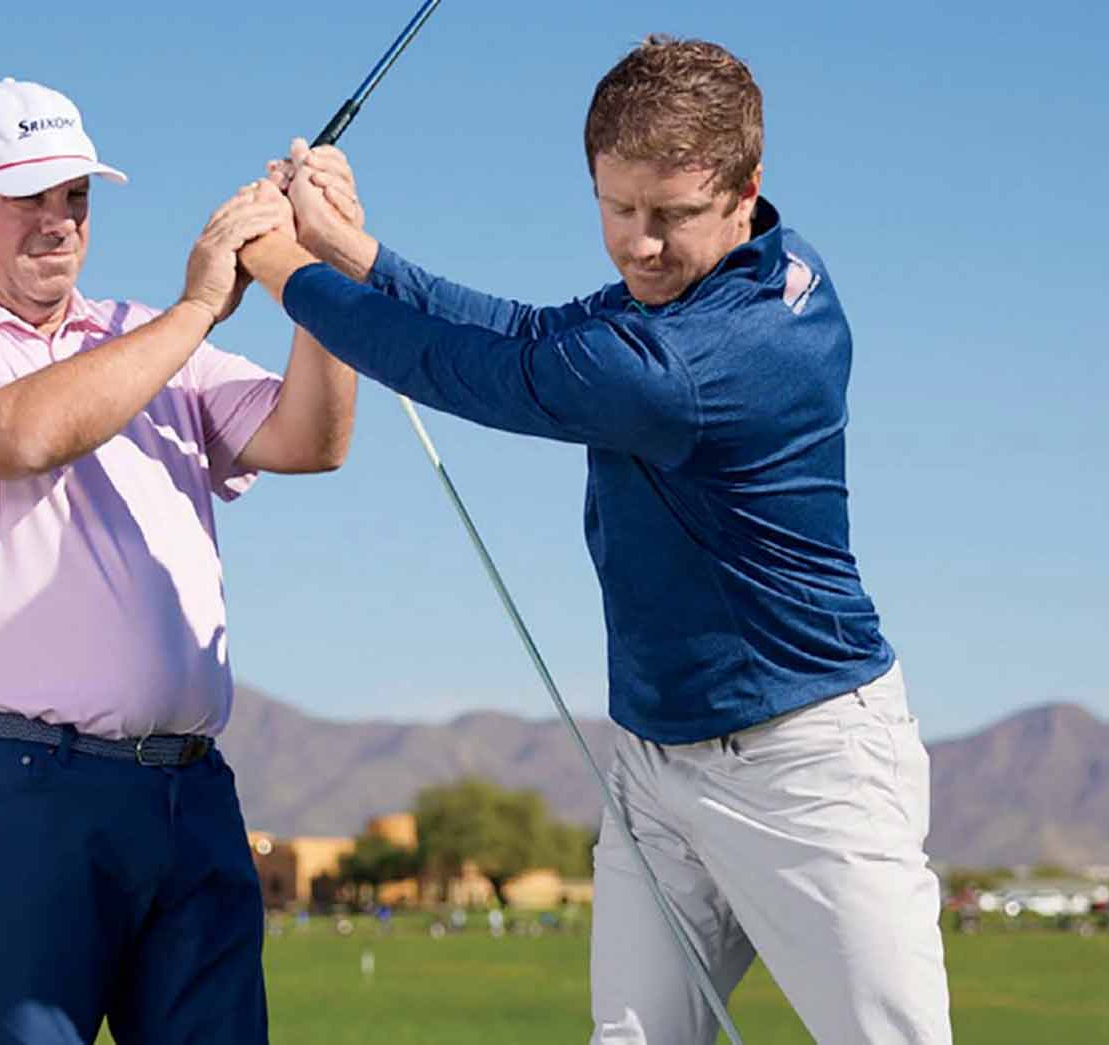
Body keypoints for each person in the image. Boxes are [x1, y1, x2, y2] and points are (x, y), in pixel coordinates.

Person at [239, 36, 951, 1045]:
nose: (639, 246)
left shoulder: (705, 357)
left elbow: (481, 373)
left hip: (804, 766)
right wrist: (354, 253)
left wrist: (280, 267)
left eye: (671, 217)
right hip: (656, 765)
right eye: (616, 209)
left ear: (746, 190)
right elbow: (532, 334)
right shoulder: (720, 279)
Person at [0, 78, 355, 1045]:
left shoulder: (146, 337)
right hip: (8, 782)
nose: (60, 220)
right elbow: (26, 431)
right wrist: (201, 304)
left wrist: (325, 278)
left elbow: (311, 437)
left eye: (75, 194)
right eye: (27, 195)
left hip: (189, 790)